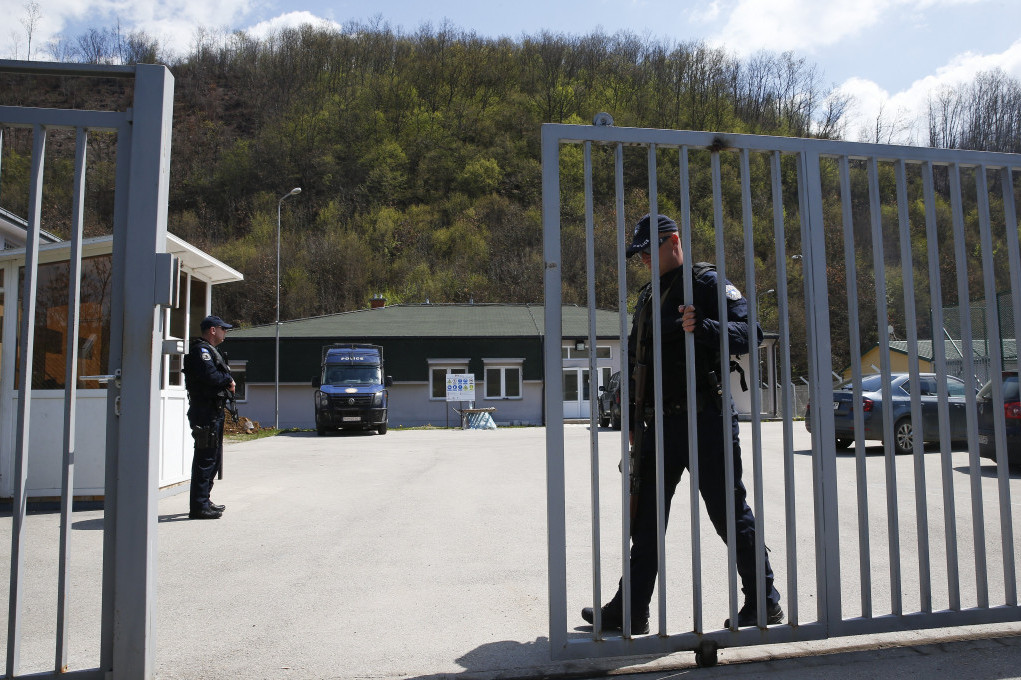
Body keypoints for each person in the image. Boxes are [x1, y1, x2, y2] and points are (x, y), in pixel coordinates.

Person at [582, 214, 782, 633]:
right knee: (646, 520)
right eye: (637, 254)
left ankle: (764, 602)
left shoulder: (706, 284)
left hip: (706, 419)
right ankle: (631, 610)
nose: (642, 260)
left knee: (728, 513)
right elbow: (637, 361)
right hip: (657, 424)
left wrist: (705, 327)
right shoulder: (649, 295)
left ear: (673, 241)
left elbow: (751, 333)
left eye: (647, 251)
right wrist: (632, 419)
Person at [183, 315, 235, 520]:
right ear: (213, 330)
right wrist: (228, 379)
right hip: (205, 412)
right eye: (223, 329)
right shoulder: (201, 351)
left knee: (213, 458)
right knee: (205, 459)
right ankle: (198, 506)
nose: (225, 332)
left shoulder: (209, 350)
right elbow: (211, 377)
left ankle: (204, 500)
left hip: (213, 410)